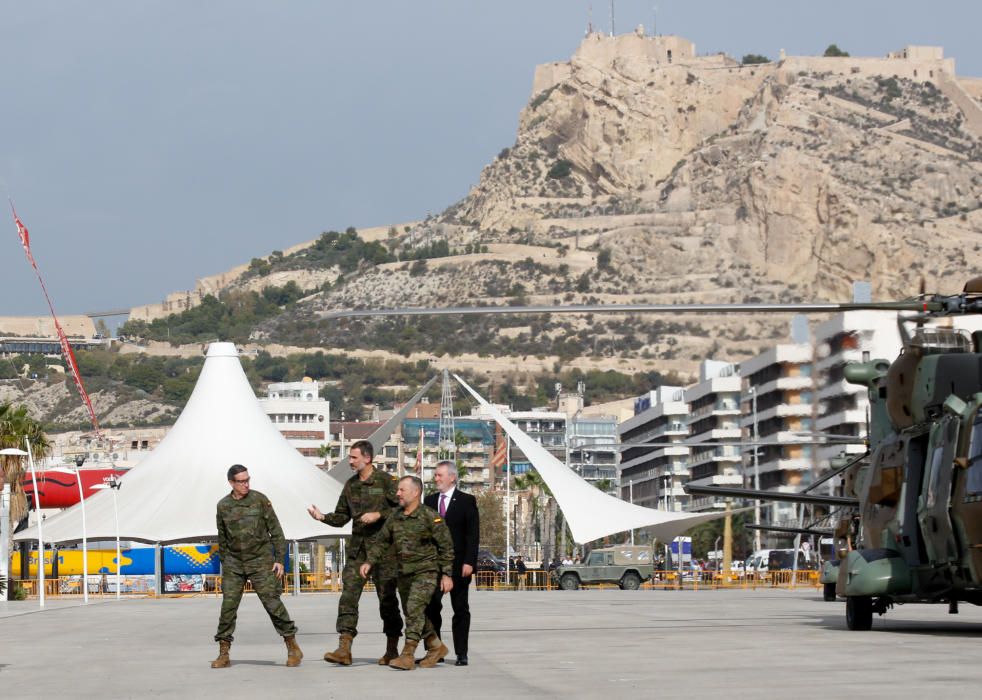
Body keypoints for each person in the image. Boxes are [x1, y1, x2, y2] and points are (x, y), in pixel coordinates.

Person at [309, 440, 402, 665]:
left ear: (367, 458)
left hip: (384, 552)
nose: (350, 461)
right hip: (358, 551)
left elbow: (402, 507)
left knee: (387, 601)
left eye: (353, 457)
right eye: (349, 457)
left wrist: (378, 514)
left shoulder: (387, 481)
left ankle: (392, 649)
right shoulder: (350, 485)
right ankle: (344, 648)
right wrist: (323, 517)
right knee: (348, 598)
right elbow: (342, 516)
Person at [212, 464, 302, 669]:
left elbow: (276, 531)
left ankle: (292, 646)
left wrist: (279, 558)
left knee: (273, 604)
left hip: (260, 561)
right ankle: (223, 653)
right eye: (241, 481)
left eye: (247, 480)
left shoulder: (260, 500)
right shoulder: (223, 505)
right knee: (228, 608)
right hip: (234, 564)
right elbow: (222, 537)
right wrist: (226, 563)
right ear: (231, 483)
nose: (246, 484)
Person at [361, 476, 454, 671]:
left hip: (426, 572)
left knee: (413, 608)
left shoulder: (430, 517)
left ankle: (407, 654)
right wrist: (369, 561)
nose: (397, 494)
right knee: (414, 612)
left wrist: (446, 574)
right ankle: (436, 647)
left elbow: (446, 547)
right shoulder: (395, 516)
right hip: (404, 573)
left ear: (415, 492)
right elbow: (382, 541)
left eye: (402, 490)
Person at [423, 460, 479, 666]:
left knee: (460, 609)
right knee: (430, 608)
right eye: (435, 475)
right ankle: (435, 651)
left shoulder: (466, 501)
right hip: (434, 567)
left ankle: (461, 652)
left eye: (439, 475)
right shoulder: (429, 501)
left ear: (452, 477)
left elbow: (473, 535)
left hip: (459, 566)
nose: (436, 479)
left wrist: (469, 562)